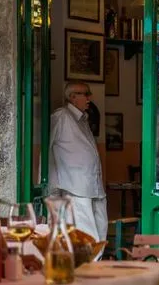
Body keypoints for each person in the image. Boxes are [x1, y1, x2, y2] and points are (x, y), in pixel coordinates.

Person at [48, 81, 107, 244]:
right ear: (72, 97)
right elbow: (47, 149)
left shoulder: (83, 119)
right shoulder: (61, 117)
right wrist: (51, 186)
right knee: (85, 233)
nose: (90, 97)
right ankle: (89, 267)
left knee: (101, 229)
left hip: (93, 185)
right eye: (85, 93)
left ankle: (97, 264)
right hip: (75, 186)